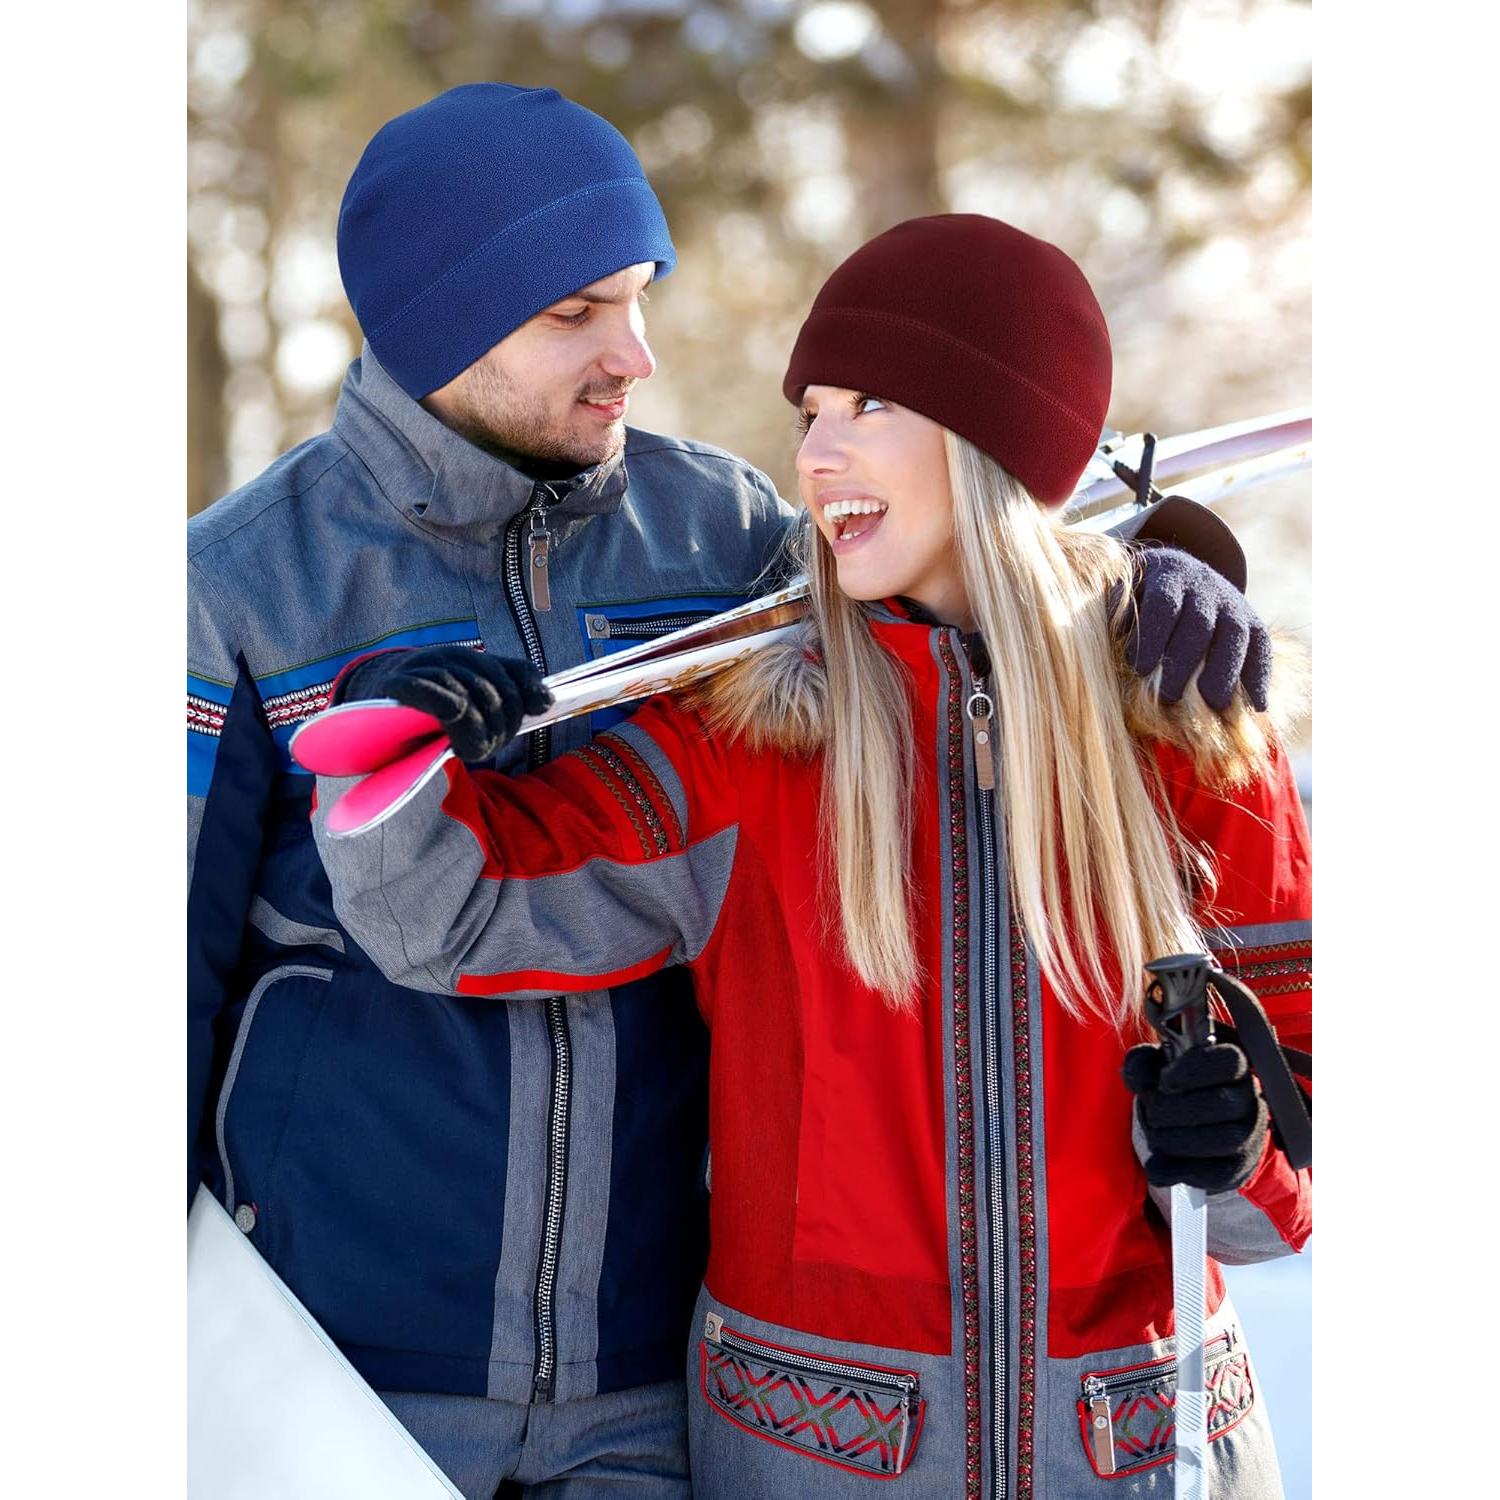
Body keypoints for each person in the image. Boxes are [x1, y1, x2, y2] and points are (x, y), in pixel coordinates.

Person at [189, 82, 1278, 1498]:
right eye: (578, 312)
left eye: (638, 300)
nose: (635, 355)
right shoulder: (245, 584)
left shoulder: (720, 536)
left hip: (650, 1369)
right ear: (446, 317)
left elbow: (956, 587)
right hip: (344, 1364)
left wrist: (1168, 574)